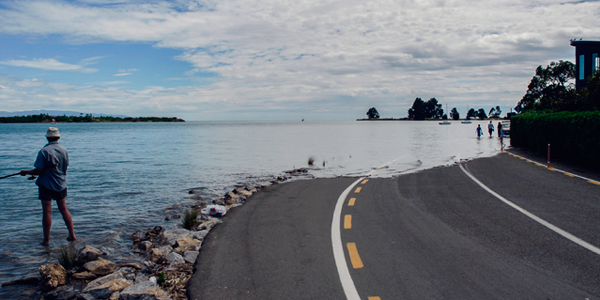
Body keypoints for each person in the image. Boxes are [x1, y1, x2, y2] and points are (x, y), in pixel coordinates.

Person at [21, 127, 76, 246]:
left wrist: (25, 171)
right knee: (63, 209)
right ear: (58, 137)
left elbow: (39, 170)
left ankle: (46, 240)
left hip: (46, 185)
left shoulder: (43, 151)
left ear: (47, 137)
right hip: (61, 183)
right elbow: (64, 168)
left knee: (46, 212)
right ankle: (72, 235)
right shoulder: (64, 150)